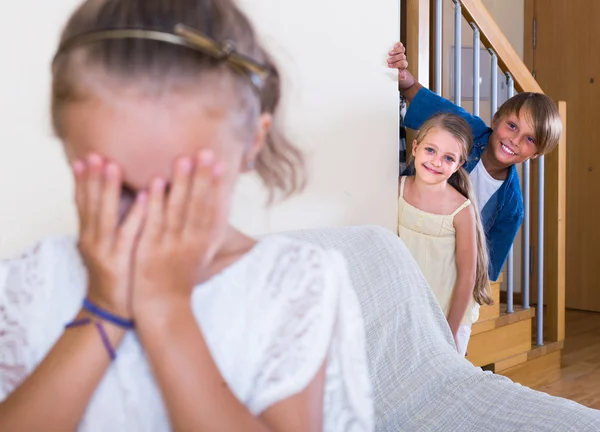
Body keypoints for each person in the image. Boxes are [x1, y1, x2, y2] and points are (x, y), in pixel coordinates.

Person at [0, 0, 373, 430]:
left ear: (252, 142)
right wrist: (104, 307)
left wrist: (166, 308)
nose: (149, 219)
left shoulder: (292, 285)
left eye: (178, 191)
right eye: (119, 189)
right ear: (68, 145)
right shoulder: (30, 284)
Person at [388, 42, 562, 281]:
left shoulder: (512, 207)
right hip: (405, 235)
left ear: (536, 154)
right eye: (512, 126)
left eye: (529, 139)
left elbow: (486, 269)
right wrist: (403, 75)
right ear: (496, 118)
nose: (514, 140)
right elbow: (413, 90)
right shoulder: (466, 127)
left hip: (445, 271)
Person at [398, 112, 492, 355]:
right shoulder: (396, 189)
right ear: (415, 148)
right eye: (430, 150)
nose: (436, 162)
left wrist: (448, 332)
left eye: (448, 157)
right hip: (408, 310)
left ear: (459, 165)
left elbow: (467, 276)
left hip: (448, 313)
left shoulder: (461, 210)